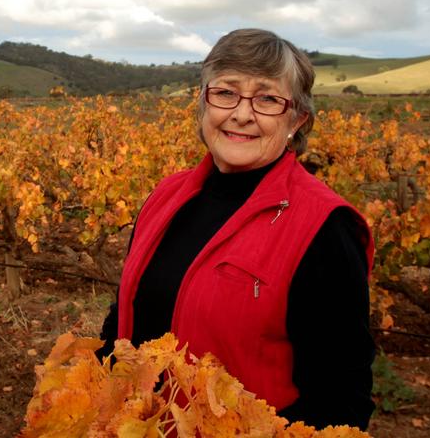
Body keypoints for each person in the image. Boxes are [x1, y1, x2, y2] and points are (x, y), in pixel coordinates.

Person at [98, 29, 375, 430]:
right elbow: (125, 315)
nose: (241, 114)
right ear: (203, 104)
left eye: (266, 98)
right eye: (226, 93)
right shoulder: (167, 195)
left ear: (296, 119)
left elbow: (340, 398)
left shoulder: (323, 227)